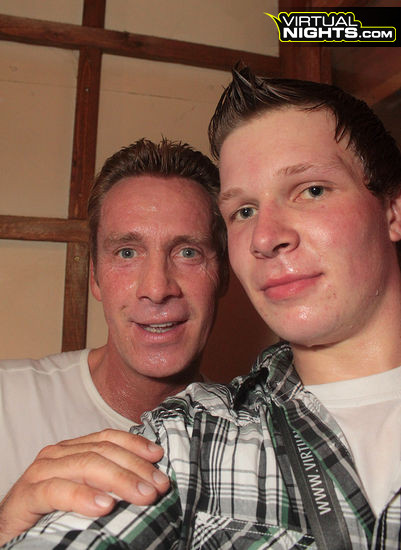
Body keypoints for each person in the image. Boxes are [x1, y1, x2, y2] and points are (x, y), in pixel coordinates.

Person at [5, 67, 401, 549]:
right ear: (94, 276)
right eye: (245, 211)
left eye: (312, 190)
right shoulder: (190, 440)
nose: (157, 288)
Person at [0, 138, 228, 545]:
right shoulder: (5, 402)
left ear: (223, 276)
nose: (157, 288)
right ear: (95, 277)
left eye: (188, 252)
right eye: (127, 252)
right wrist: (5, 524)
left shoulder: (246, 441)